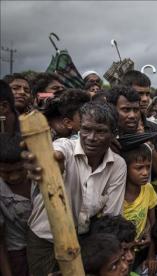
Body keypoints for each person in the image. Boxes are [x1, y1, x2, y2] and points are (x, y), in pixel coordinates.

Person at [25, 102, 127, 275]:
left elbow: (111, 219)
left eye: (101, 131)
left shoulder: (118, 165)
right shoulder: (64, 146)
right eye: (86, 129)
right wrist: (48, 163)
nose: (91, 137)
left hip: (83, 241)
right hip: (44, 239)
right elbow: (55, 156)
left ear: (113, 134)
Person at [107, 85, 157, 179]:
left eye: (136, 110)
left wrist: (145, 142)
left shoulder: (149, 134)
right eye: (126, 110)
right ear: (112, 109)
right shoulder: (103, 136)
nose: (132, 115)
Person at [121, 144, 157, 273]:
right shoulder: (117, 194)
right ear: (125, 168)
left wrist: (151, 254)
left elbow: (152, 223)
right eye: (139, 168)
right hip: (120, 253)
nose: (145, 173)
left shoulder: (148, 189)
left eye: (148, 167)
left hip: (141, 250)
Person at [0, 133, 31, 276]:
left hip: (47, 248)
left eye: (20, 170)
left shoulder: (39, 176)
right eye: (6, 172)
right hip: (17, 254)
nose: (14, 176)